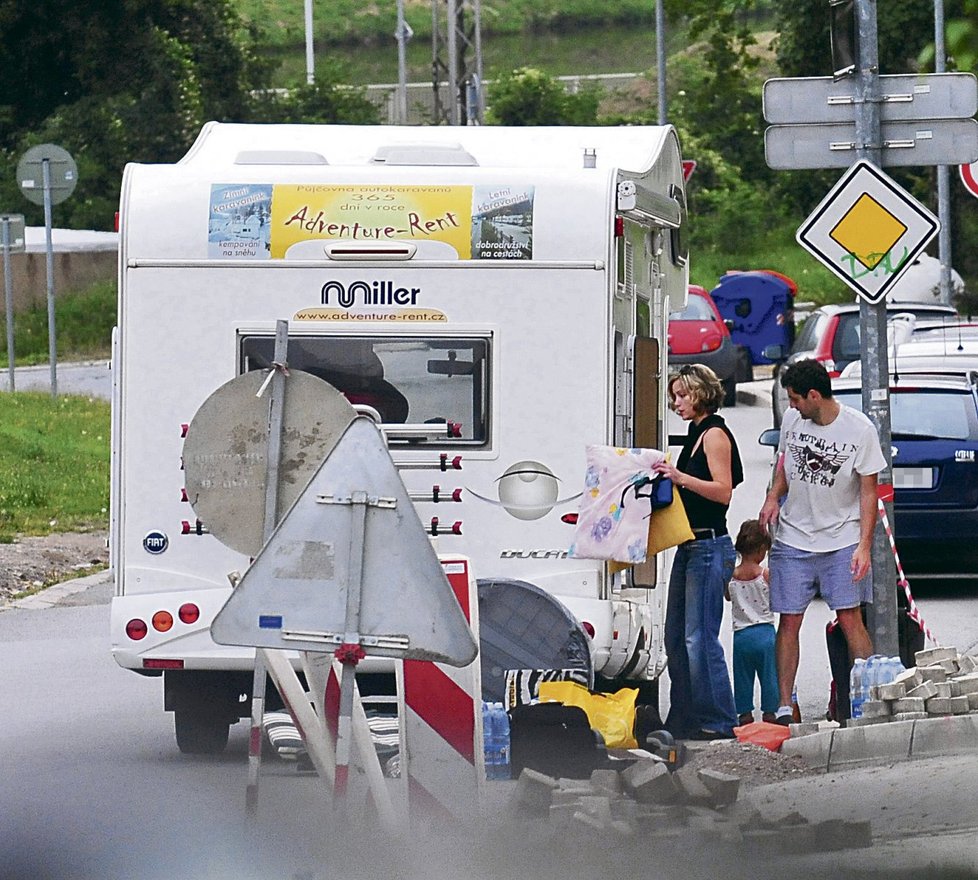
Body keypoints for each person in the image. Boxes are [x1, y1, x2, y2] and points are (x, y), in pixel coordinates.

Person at [759, 358, 886, 726]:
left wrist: (863, 545)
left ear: (815, 395)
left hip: (842, 537)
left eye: (796, 399)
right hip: (794, 537)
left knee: (849, 618)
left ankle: (868, 699)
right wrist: (772, 496)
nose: (792, 405)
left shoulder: (859, 430)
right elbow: (784, 465)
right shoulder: (792, 421)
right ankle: (785, 705)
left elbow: (868, 493)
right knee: (789, 620)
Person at [653, 363, 742, 739]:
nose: (677, 403)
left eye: (682, 395)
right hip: (689, 543)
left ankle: (718, 719)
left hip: (709, 543)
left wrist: (681, 478)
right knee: (675, 635)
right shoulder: (694, 433)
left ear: (701, 393)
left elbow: (723, 491)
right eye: (674, 396)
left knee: (699, 637)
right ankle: (685, 714)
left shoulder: (715, 435)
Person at [725, 519, 778, 726]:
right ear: (760, 549)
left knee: (742, 677)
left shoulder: (732, 576)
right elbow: (777, 596)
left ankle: (745, 714)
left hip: (741, 636)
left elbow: (728, 597)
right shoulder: (765, 575)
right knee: (769, 676)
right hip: (765, 633)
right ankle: (770, 714)